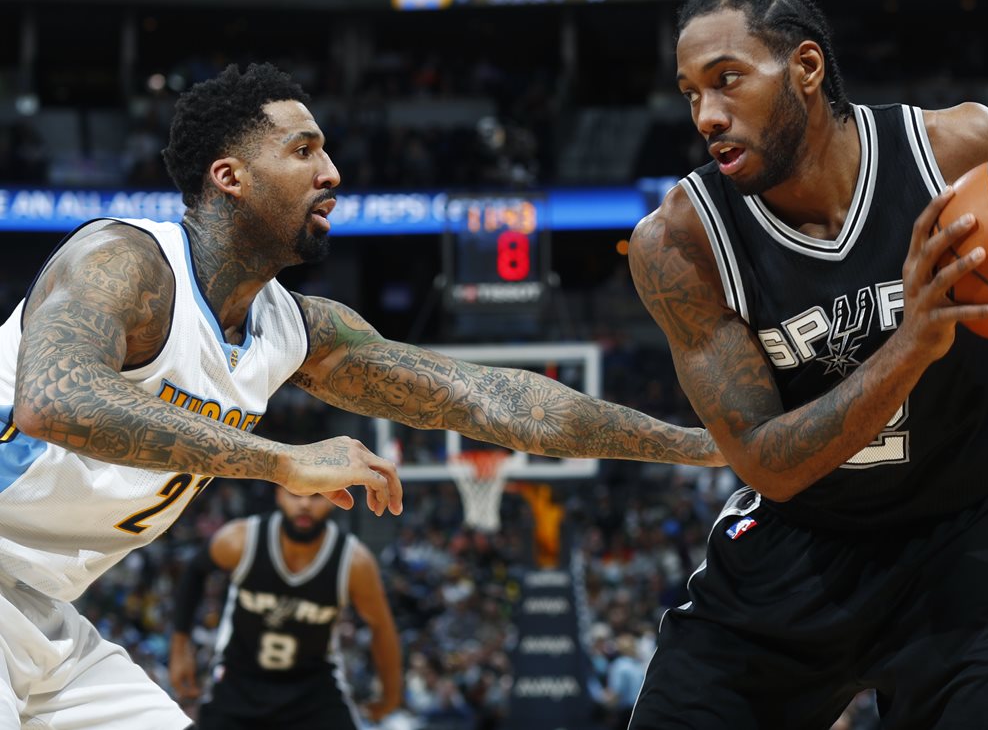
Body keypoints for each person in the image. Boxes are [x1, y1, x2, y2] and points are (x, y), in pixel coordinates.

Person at [0, 62, 721, 730]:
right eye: (304, 151)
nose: (333, 173)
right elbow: (56, 400)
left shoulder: (295, 330)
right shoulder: (124, 262)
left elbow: (490, 398)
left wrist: (702, 445)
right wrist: (282, 461)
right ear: (230, 175)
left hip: (41, 616)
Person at [625, 0, 988, 729]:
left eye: (727, 80)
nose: (707, 114)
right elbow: (766, 461)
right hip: (792, 556)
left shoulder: (958, 149)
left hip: (958, 542)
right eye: (691, 92)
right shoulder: (680, 242)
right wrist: (911, 345)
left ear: (806, 67)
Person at [170, 487, 400, 729]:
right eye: (295, 494)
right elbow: (195, 571)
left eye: (315, 496)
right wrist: (179, 647)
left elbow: (381, 626)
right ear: (279, 494)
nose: (304, 504)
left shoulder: (354, 562)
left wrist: (391, 693)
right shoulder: (241, 539)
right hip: (238, 681)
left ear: (335, 499)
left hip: (313, 689)